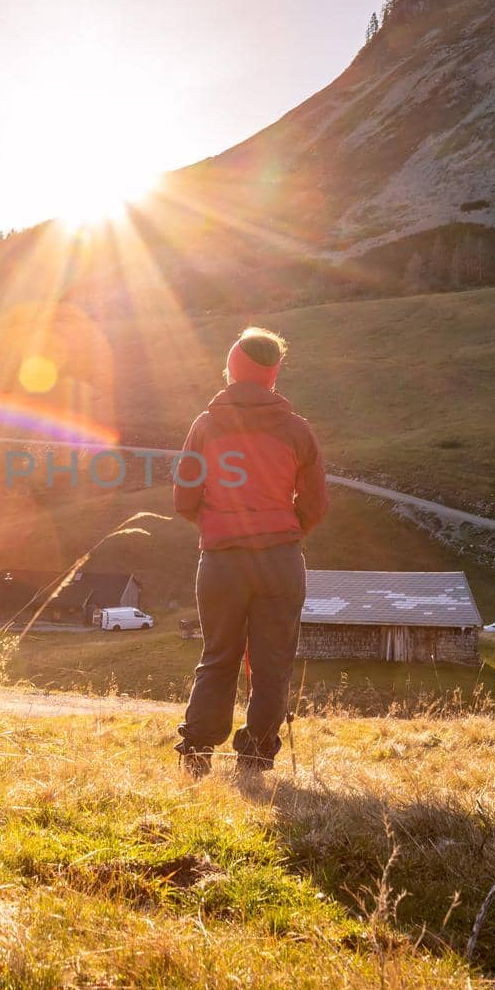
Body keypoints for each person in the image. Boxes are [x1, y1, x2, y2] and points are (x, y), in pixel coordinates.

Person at [172, 327, 329, 778]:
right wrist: (286, 529)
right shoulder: (297, 430)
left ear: (232, 369)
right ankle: (256, 757)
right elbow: (316, 503)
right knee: (272, 664)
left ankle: (198, 749)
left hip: (221, 560)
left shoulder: (204, 426)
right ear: (272, 375)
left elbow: (184, 499)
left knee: (218, 655)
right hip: (280, 560)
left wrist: (218, 527)